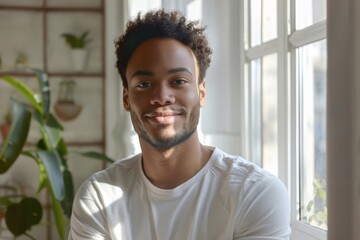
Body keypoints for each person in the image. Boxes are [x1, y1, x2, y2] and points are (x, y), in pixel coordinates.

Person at [69, 9, 291, 240]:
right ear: (126, 98)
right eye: (144, 84)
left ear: (201, 93)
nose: (162, 96)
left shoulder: (255, 193)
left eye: (178, 81)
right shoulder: (98, 197)